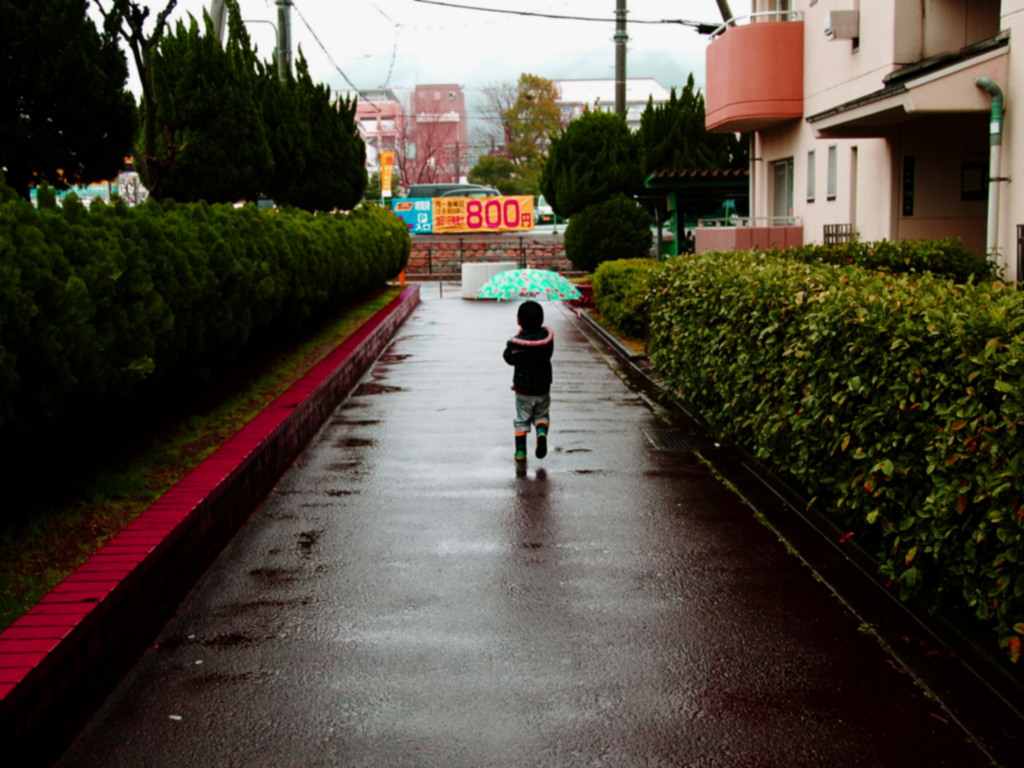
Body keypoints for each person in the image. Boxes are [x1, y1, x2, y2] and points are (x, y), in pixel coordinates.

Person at [503, 300, 554, 462]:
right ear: (542, 320)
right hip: (543, 388)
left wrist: (519, 337)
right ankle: (541, 433)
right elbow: (547, 355)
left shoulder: (515, 343)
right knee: (542, 415)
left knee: (521, 419)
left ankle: (520, 452)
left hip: (523, 389)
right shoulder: (548, 340)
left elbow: (509, 358)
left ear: (518, 320)